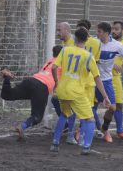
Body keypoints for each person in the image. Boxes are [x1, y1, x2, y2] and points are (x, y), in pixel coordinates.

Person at [50, 27, 110, 155]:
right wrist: (105, 96)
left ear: (75, 38)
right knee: (89, 119)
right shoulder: (88, 56)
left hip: (62, 89)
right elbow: (97, 78)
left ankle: (55, 143)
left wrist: (56, 82)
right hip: (76, 92)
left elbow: (54, 67)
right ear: (87, 40)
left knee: (64, 115)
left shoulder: (65, 50)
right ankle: (86, 147)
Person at [0, 45, 63, 140]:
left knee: (7, 95)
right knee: (37, 117)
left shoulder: (50, 60)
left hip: (31, 80)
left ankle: (7, 78)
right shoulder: (61, 64)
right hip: (41, 87)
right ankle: (22, 127)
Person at [94, 22, 123, 143]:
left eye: (99, 31)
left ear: (106, 33)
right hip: (92, 81)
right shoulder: (94, 43)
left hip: (107, 81)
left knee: (113, 107)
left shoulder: (118, 45)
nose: (97, 34)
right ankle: (81, 131)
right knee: (89, 107)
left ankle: (105, 128)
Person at [74, 19, 102, 143]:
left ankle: (78, 134)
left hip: (82, 80)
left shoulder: (71, 45)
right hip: (88, 80)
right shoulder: (96, 43)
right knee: (88, 109)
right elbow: (96, 62)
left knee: (87, 109)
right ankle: (83, 137)